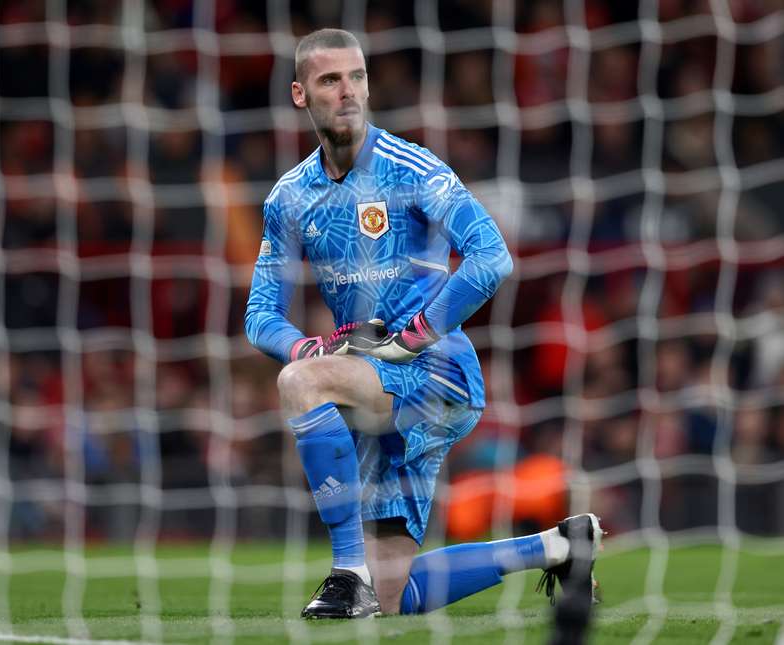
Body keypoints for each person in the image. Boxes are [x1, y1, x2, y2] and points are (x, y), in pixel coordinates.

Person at [244, 28, 602, 619]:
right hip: (372, 385)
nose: (348, 91)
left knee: (300, 385)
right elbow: (260, 316)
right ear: (300, 94)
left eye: (356, 77)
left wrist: (414, 335)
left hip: (436, 372)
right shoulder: (289, 199)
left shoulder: (411, 168)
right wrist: (306, 345)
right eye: (330, 80)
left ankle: (346, 573)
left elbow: (492, 256)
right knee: (393, 601)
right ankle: (560, 547)